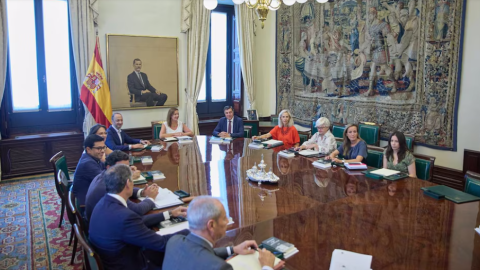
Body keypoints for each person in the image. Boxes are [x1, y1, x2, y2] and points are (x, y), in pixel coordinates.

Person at [89, 164, 190, 270]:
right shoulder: (125, 217)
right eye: (132, 181)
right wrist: (191, 231)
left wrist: (169, 213)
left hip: (114, 259)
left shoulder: (103, 202)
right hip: (130, 265)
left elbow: (137, 222)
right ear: (128, 183)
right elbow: (162, 243)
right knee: (182, 256)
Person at [162, 196, 277, 270]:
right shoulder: (219, 267)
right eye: (224, 218)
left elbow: (199, 252)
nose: (227, 221)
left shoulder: (174, 241)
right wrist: (267, 266)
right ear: (211, 225)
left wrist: (233, 249)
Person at [85, 150, 188, 226]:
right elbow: (138, 210)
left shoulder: (105, 176)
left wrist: (142, 192)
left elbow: (122, 186)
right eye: (123, 168)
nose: (128, 172)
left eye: (128, 167)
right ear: (109, 167)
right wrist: (151, 198)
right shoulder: (107, 188)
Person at [72, 134, 106, 214]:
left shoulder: (92, 158)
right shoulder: (88, 163)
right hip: (87, 207)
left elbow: (105, 170)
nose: (103, 151)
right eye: (99, 148)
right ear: (88, 149)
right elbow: (108, 181)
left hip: (91, 196)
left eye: (103, 147)